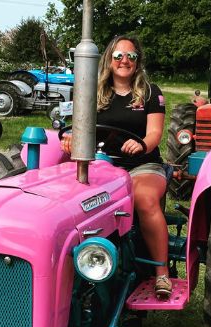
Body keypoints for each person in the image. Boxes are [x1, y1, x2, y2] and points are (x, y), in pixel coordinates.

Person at [61, 35, 171, 299]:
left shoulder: (150, 92)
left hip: (141, 165)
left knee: (144, 200)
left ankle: (161, 272)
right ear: (109, 60)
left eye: (130, 56)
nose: (124, 61)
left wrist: (142, 145)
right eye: (118, 55)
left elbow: (155, 133)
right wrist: (71, 140)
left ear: (138, 62)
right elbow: (80, 129)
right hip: (101, 166)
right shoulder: (92, 92)